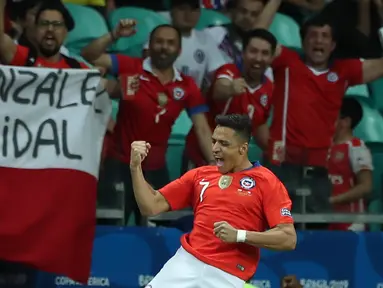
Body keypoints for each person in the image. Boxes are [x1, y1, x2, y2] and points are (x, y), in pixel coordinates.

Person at [130, 114, 297, 288]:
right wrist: (135, 168)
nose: (215, 149)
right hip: (186, 263)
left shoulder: (267, 182)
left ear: (243, 148)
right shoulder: (200, 175)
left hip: (227, 275)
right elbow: (150, 205)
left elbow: (288, 239)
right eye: (214, 141)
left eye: (224, 144)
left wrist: (239, 235)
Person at [255, 0, 383, 224]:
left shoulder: (343, 71)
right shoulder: (287, 62)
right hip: (281, 167)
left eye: (325, 36)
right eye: (313, 35)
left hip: (319, 172)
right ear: (304, 42)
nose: (318, 41)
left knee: (315, 237)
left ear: (333, 45)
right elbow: (258, 37)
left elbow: (379, 66)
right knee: (274, 231)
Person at [82, 23, 214, 225]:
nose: (164, 47)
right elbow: (89, 55)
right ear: (149, 46)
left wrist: (216, 165)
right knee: (109, 229)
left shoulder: (187, 86)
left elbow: (203, 129)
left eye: (170, 43)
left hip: (156, 169)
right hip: (119, 165)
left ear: (179, 50)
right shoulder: (130, 66)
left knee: (162, 232)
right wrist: (114, 35)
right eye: (159, 41)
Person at [184, 28, 275, 170]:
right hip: (202, 155)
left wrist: (277, 151)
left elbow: (259, 125)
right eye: (253, 51)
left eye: (264, 53)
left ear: (271, 58)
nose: (258, 58)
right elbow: (219, 89)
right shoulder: (228, 71)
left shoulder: (269, 89)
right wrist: (231, 89)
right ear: (243, 53)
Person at [144, 0, 227, 90]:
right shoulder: (159, 34)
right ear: (172, 11)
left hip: (192, 99)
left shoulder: (206, 39)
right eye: (182, 9)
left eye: (194, 9)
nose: (188, 14)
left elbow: (219, 71)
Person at [328, 97, 373, 231]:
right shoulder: (323, 148)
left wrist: (334, 200)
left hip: (351, 224)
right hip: (324, 221)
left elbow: (366, 186)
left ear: (345, 122)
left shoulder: (357, 148)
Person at [0, 0, 84, 68]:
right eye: (44, 24)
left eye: (57, 24)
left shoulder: (78, 69)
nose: (50, 29)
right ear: (36, 29)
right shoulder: (22, 58)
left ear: (65, 32)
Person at [207, 0, 266, 65]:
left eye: (254, 14)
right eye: (243, 11)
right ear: (234, 11)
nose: (247, 17)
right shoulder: (214, 34)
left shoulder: (261, 47)